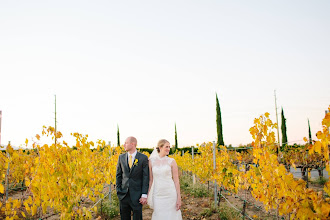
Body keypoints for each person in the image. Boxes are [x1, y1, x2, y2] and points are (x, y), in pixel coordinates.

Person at [147, 139, 182, 220]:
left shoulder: (172, 161)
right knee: (159, 215)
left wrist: (179, 198)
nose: (168, 149)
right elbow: (151, 180)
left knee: (172, 215)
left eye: (169, 147)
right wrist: (148, 194)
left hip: (170, 193)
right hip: (158, 194)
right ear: (160, 147)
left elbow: (176, 181)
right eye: (166, 147)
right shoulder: (151, 161)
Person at [116, 136, 149, 220]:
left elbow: (145, 177)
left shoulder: (143, 158)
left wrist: (144, 194)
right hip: (123, 194)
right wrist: (118, 190)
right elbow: (118, 175)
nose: (124, 145)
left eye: (126, 143)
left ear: (132, 144)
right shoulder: (121, 157)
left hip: (137, 195)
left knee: (137, 218)